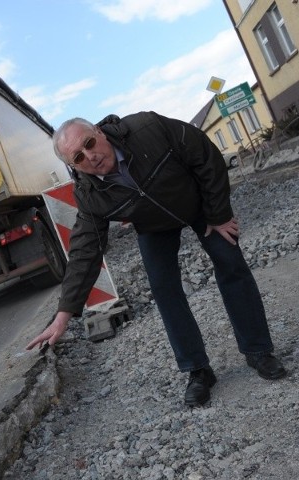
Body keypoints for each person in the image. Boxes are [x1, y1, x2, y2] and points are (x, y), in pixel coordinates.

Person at [26, 111, 287, 407]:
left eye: (88, 143)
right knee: (163, 288)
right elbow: (85, 251)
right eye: (78, 158)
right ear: (73, 167)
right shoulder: (89, 195)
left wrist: (220, 214)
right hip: (153, 226)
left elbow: (204, 152)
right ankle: (198, 371)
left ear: (99, 132)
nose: (90, 156)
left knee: (230, 261)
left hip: (198, 204)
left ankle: (258, 352)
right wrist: (63, 315)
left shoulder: (147, 128)